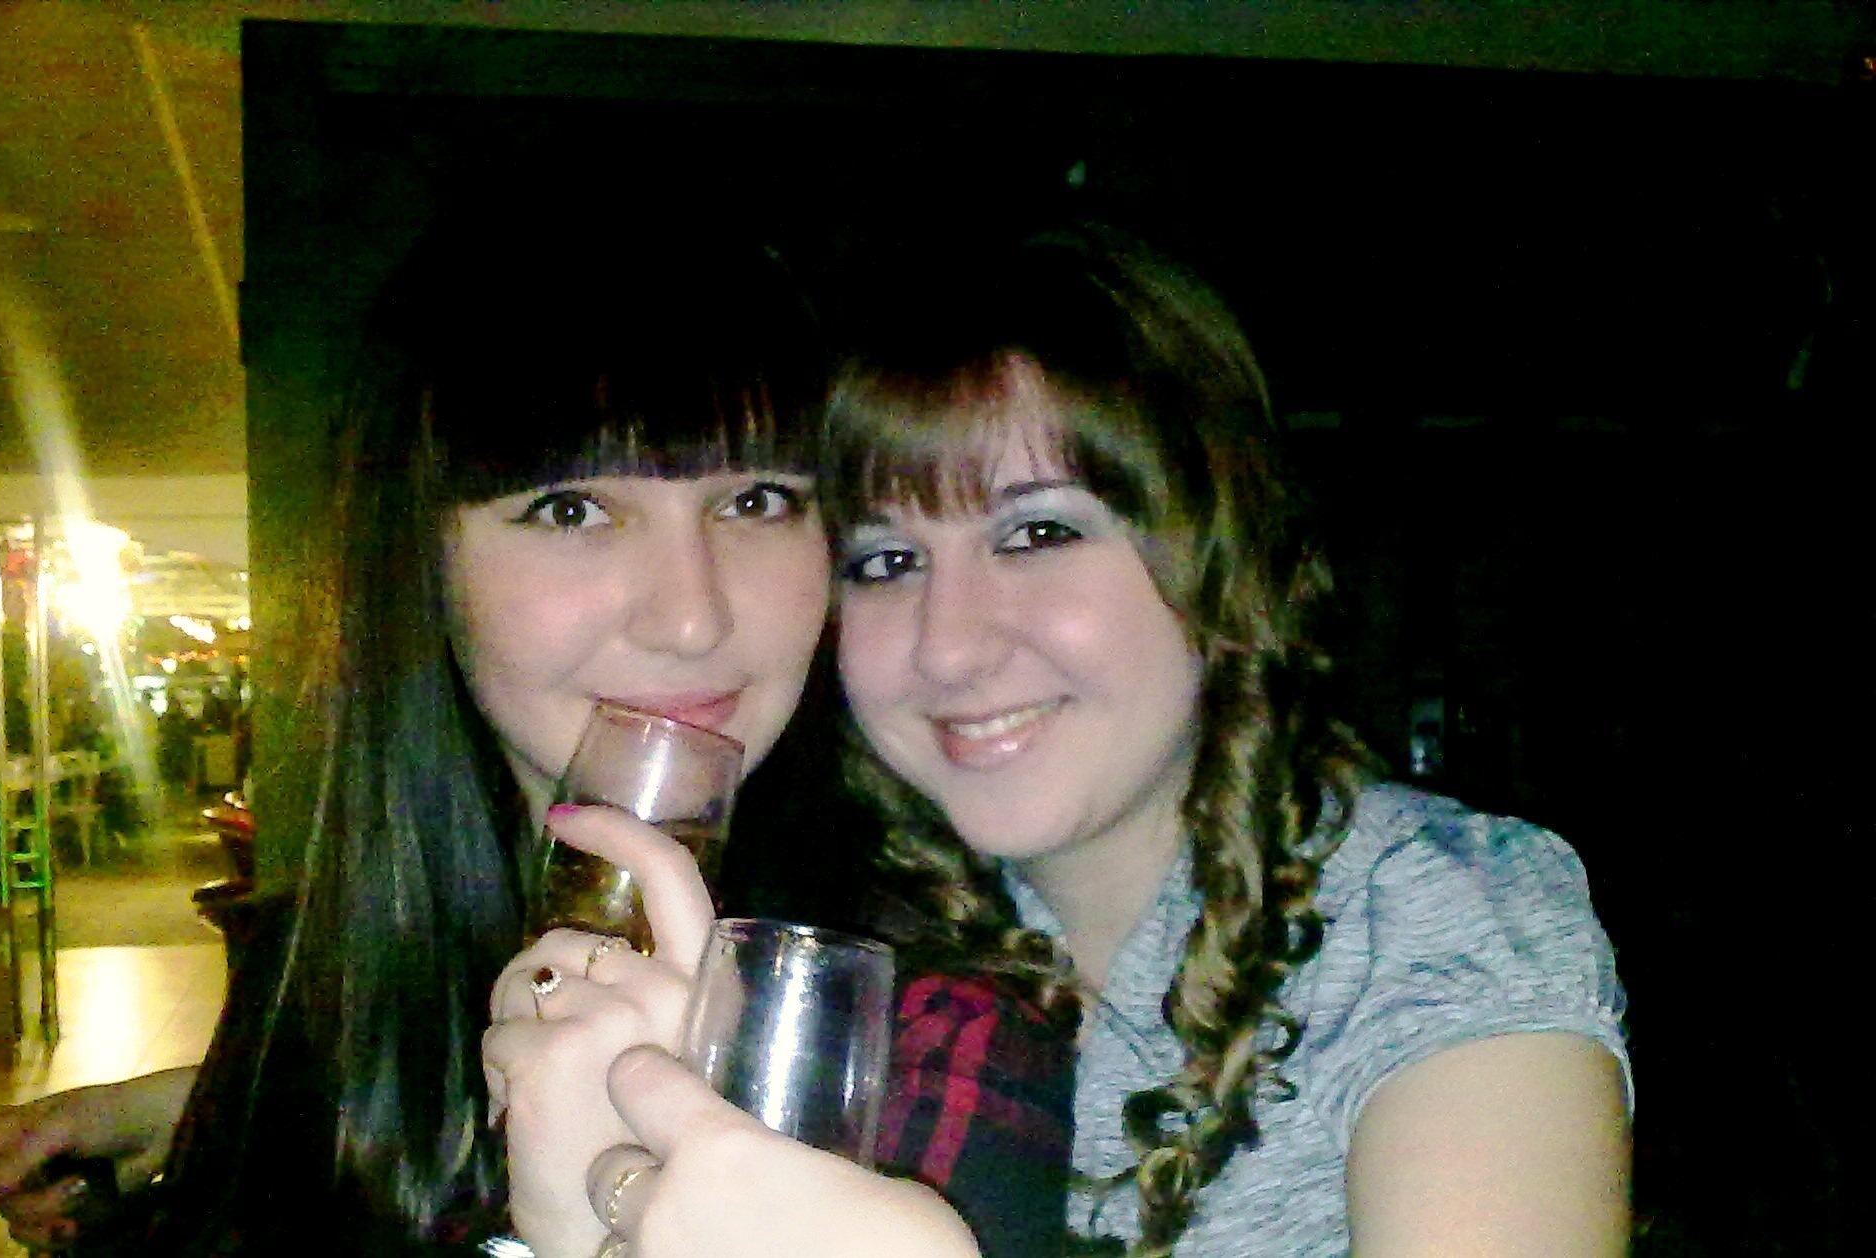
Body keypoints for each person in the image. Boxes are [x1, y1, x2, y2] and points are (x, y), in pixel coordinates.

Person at [482, 223, 1633, 1257]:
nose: (948, 647)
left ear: (1220, 558)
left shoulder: (1428, 912)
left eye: (1035, 534)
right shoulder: (839, 944)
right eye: (887, 560)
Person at [0, 197, 860, 1255]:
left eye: (756, 501)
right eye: (573, 510)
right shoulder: (332, 971)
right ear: (419, 560)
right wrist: (204, 1132)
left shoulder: (902, 1032)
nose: (692, 617)